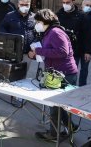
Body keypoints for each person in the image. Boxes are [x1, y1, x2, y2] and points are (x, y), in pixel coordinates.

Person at [28, 9, 78, 142]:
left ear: (45, 21)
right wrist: (35, 55)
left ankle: (53, 134)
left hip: (64, 73)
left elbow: (62, 52)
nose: (37, 24)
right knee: (59, 105)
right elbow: (50, 52)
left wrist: (38, 50)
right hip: (57, 72)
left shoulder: (56, 32)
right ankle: (71, 126)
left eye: (38, 21)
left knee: (55, 106)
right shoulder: (49, 32)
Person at [56, 0, 91, 86]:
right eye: (63, 2)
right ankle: (70, 90)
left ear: (73, 2)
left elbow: (87, 34)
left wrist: (88, 51)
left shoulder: (82, 15)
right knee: (71, 74)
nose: (65, 5)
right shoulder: (59, 15)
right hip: (68, 50)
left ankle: (82, 89)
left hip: (82, 48)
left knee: (83, 72)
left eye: (68, 2)